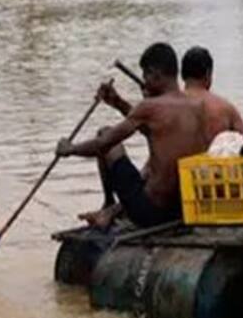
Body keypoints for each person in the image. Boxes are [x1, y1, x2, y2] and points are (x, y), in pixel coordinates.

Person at [59, 42, 205, 230]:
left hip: (152, 213)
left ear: (155, 74)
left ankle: (108, 205)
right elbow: (151, 129)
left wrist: (70, 149)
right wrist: (118, 103)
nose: (144, 81)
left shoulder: (150, 107)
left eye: (146, 75)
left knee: (104, 133)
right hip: (183, 209)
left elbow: (104, 144)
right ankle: (111, 210)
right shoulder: (196, 106)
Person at [179, 45, 243, 143]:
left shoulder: (168, 108)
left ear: (182, 74)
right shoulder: (225, 108)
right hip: (212, 157)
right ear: (208, 74)